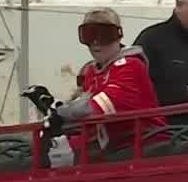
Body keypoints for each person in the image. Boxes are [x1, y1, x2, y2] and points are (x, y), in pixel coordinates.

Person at [36, 8, 166, 155]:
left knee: (60, 157)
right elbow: (81, 107)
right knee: (45, 152)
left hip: (145, 144)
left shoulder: (131, 66)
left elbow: (93, 108)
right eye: (89, 35)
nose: (96, 43)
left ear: (118, 36)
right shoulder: (93, 71)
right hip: (114, 144)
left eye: (105, 35)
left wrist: (58, 113)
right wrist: (51, 108)